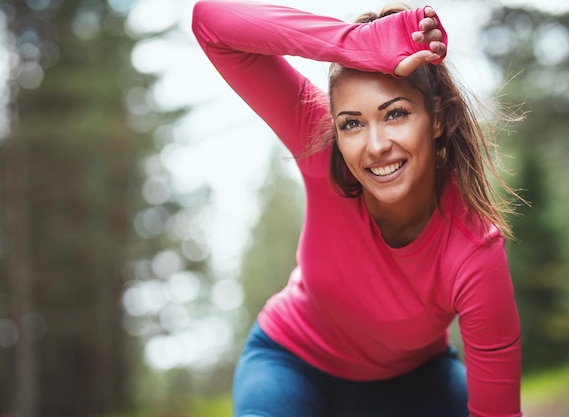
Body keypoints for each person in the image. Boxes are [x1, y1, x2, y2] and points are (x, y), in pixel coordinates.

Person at [191, 1, 522, 416]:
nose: (376, 145)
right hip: (291, 364)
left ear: (436, 119)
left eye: (396, 114)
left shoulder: (475, 250)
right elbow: (211, 22)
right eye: (352, 123)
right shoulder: (321, 147)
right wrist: (354, 44)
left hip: (415, 384)